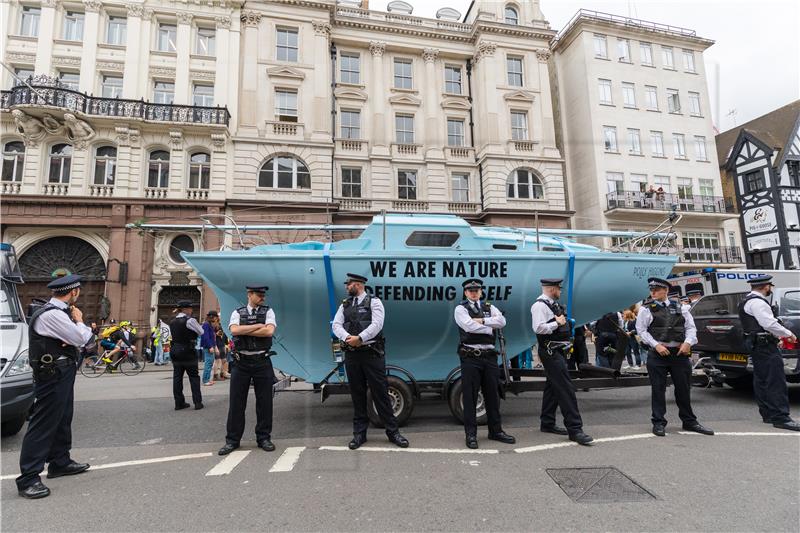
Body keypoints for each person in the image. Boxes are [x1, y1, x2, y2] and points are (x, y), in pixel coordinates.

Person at [16, 274, 94, 499]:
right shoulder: (52, 315)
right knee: (44, 422)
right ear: (74, 292)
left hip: (62, 370)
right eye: (78, 291)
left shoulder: (58, 313)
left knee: (62, 417)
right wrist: (79, 320)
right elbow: (83, 339)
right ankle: (28, 478)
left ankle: (60, 461)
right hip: (53, 373)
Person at [331, 273, 409, 450]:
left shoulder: (374, 302)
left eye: (348, 284)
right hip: (352, 355)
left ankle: (393, 432)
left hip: (371, 354)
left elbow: (377, 325)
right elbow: (336, 325)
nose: (346, 287)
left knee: (380, 394)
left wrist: (360, 338)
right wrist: (348, 337)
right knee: (357, 395)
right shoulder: (345, 305)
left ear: (357, 285)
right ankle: (359, 434)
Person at [636, 277, 714, 437]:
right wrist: (656, 345)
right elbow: (642, 331)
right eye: (651, 290)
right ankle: (658, 423)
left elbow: (691, 328)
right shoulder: (646, 309)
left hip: (679, 353)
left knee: (683, 389)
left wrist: (688, 343)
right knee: (658, 390)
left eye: (656, 289)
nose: (653, 292)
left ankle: (689, 421)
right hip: (658, 355)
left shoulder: (682, 308)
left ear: (666, 290)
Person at [453, 278, 516, 449]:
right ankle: (471, 434)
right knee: (470, 396)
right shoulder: (460, 308)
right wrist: (489, 326)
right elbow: (468, 327)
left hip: (489, 357)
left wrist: (482, 321)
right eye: (470, 290)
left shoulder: (489, 306)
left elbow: (502, 322)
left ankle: (495, 431)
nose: (474, 292)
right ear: (465, 292)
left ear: (481, 291)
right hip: (471, 357)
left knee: (493, 395)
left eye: (477, 290)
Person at [531, 278, 593, 445]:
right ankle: (575, 429)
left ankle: (547, 422)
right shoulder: (540, 306)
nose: (560, 291)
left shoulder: (553, 304)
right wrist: (555, 323)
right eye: (559, 288)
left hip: (558, 350)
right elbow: (538, 327)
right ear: (552, 289)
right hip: (550, 351)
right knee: (566, 388)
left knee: (552, 387)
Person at [218, 286, 278, 455]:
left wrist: (248, 329)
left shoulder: (269, 311)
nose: (262, 298)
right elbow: (234, 330)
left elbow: (269, 331)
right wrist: (259, 325)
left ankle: (264, 438)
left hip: (262, 361)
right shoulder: (237, 312)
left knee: (265, 402)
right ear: (249, 295)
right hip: (241, 363)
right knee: (236, 403)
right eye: (259, 295)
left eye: (263, 295)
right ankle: (232, 440)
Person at [738, 275, 800, 431]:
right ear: (766, 286)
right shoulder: (758, 302)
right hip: (765, 346)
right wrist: (788, 334)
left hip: (757, 344)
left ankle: (768, 414)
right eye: (770, 287)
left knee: (762, 380)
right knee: (775, 381)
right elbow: (768, 323)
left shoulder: (746, 301)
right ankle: (781, 417)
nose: (770, 290)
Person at [169, 300, 204, 410]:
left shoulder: (172, 321)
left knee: (177, 377)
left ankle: (179, 403)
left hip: (175, 350)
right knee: (194, 376)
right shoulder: (190, 320)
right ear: (186, 309)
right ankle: (197, 402)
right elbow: (201, 331)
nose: (191, 310)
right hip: (188, 351)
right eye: (190, 308)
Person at [201, 311, 219, 386]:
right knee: (208, 363)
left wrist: (215, 347)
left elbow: (212, 337)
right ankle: (205, 380)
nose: (216, 318)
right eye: (215, 317)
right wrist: (210, 346)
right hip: (208, 347)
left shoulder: (209, 324)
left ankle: (207, 379)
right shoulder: (206, 324)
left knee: (210, 363)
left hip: (210, 346)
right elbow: (206, 337)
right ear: (212, 317)